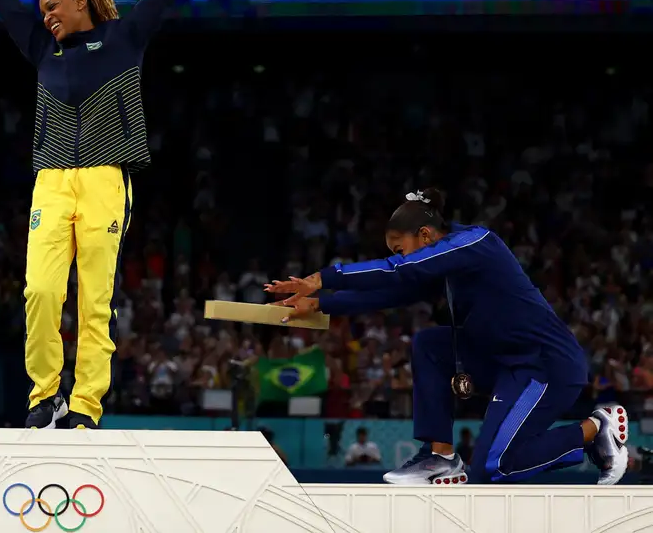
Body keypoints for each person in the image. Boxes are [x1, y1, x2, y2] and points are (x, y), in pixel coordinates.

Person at [0, 0, 206, 429]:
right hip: (50, 182)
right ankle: (43, 395)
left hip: (105, 181)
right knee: (41, 292)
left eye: (53, 5)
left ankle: (87, 405)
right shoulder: (40, 48)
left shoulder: (126, 38)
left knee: (95, 301)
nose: (44, 14)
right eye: (41, 9)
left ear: (80, 1)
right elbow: (1, 0)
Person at [265, 188, 629, 486]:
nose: (398, 256)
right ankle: (439, 457)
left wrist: (326, 277)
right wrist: (321, 305)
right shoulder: (441, 264)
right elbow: (391, 292)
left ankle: (596, 429)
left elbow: (401, 270)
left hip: (547, 365)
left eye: (399, 248)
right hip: (505, 363)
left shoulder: (476, 242)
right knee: (429, 345)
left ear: (425, 235)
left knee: (493, 467)